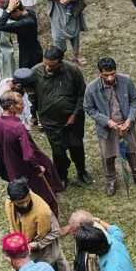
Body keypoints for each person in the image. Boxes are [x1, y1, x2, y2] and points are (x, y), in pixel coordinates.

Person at [4, 178, 82, 271]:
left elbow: (55, 232)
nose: (24, 204)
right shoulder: (9, 205)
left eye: (26, 200)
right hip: (26, 253)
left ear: (29, 193)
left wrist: (35, 245)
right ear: (12, 201)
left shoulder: (43, 211)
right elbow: (14, 223)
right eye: (20, 203)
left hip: (47, 252)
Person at [0, 85, 63, 214]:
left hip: (11, 166)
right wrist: (38, 168)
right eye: (20, 104)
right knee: (47, 194)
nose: (23, 105)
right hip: (28, 168)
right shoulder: (18, 127)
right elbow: (28, 155)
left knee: (23, 193)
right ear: (12, 108)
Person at [31, 46, 90, 186]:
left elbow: (82, 94)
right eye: (45, 64)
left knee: (77, 147)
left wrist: (74, 115)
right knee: (58, 152)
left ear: (60, 62)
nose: (47, 68)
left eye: (52, 65)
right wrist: (33, 115)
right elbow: (31, 96)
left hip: (73, 121)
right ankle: (62, 176)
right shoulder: (35, 72)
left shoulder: (72, 71)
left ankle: (82, 171)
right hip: (50, 122)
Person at [0, 0, 42, 68]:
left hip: (29, 56)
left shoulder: (24, 23)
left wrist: (9, 9)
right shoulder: (29, 12)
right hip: (33, 50)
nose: (10, 17)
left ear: (17, 11)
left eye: (11, 14)